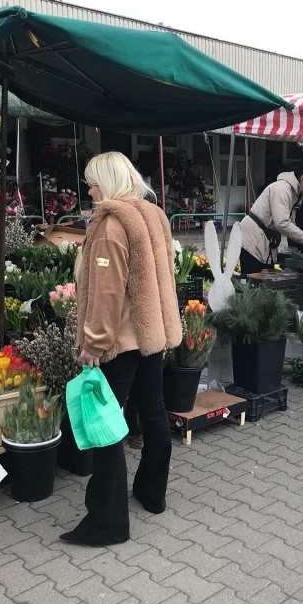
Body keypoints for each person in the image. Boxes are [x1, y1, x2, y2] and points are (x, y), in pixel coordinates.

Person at [65, 151, 182, 546]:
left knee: (105, 425)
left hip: (123, 340)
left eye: (92, 181)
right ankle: (152, 494)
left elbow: (107, 291)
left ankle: (108, 522)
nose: (89, 189)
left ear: (108, 181)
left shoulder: (111, 223)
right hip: (154, 335)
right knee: (152, 410)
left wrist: (94, 343)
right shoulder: (152, 214)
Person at [239, 162, 303, 275]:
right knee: (253, 281)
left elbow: (290, 223)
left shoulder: (295, 192)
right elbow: (282, 223)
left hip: (264, 238)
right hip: (252, 240)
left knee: (264, 281)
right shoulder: (282, 189)